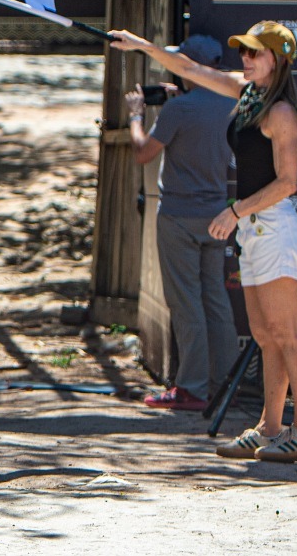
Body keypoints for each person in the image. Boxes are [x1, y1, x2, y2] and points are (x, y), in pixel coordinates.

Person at [110, 21, 297, 462]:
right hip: (254, 228)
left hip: (274, 227)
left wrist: (235, 210)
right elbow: (187, 66)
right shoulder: (247, 93)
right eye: (242, 52)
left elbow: (287, 182)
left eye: (254, 53)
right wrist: (140, 45)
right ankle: (270, 427)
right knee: (265, 335)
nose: (245, 60)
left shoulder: (281, 110)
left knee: (288, 333)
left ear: (278, 61)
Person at [123, 34, 239, 412]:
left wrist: (137, 116)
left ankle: (191, 387)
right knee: (215, 300)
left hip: (178, 216)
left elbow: (143, 154)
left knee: (186, 304)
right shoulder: (234, 103)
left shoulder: (179, 111)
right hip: (217, 216)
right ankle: (226, 382)